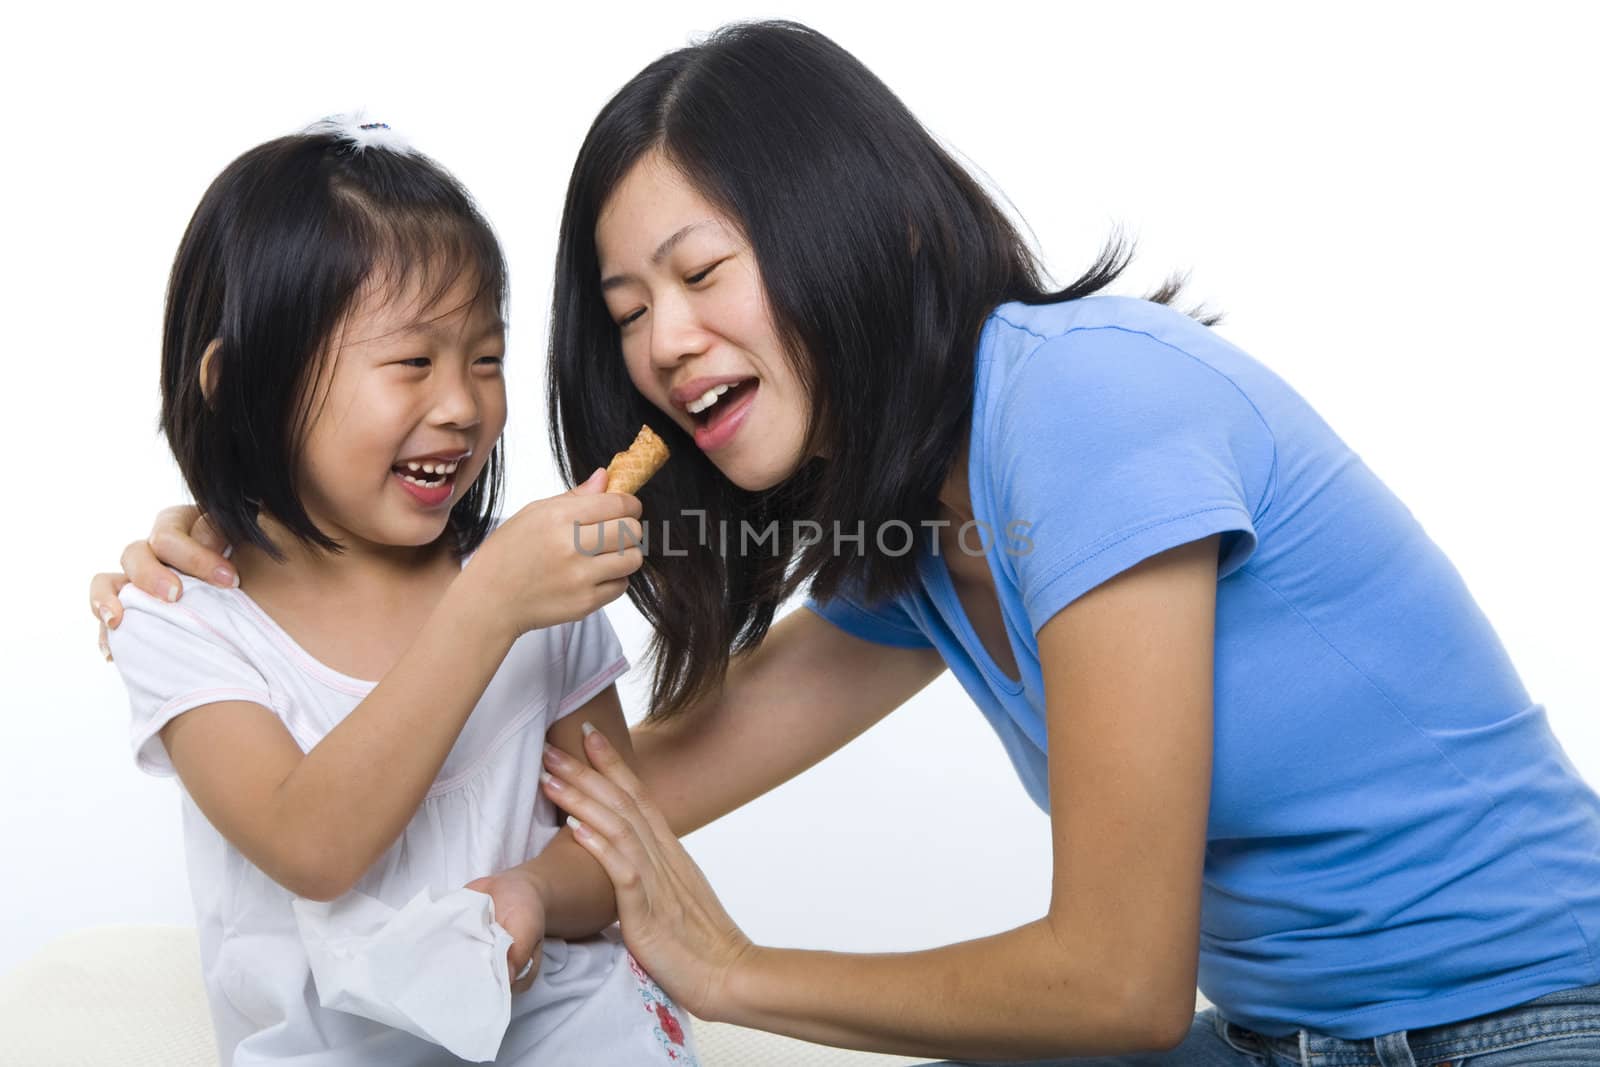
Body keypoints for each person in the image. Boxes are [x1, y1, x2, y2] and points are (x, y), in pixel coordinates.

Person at [94, 23, 1600, 1066]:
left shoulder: (1079, 402)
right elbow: (642, 782)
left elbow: (1123, 981)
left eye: (701, 273)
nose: (666, 345)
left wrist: (731, 970)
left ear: (858, 230)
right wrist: (267, 539)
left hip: (1533, 1018)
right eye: (626, 313)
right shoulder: (915, 538)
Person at [98, 117, 698, 1065]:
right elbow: (313, 843)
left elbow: (618, 845)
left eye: (486, 358)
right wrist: (487, 606)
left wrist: (537, 893)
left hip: (559, 1025)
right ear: (242, 383)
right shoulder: (182, 622)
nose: (462, 404)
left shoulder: (536, 588)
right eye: (413, 361)